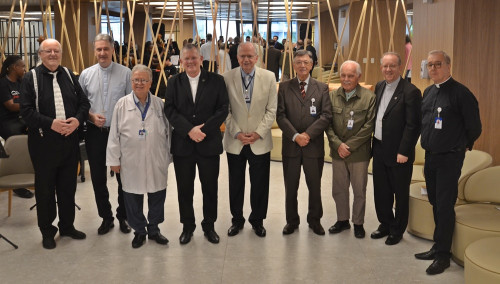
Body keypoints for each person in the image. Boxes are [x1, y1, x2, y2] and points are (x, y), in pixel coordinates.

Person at [415, 50, 481, 275]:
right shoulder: (428, 92)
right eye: (430, 65)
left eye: (438, 64)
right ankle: (438, 245)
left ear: (448, 66)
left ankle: (443, 255)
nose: (433, 69)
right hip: (431, 156)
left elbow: (474, 126)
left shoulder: (461, 93)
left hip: (450, 158)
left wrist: (461, 146)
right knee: (434, 201)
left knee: (444, 205)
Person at [20, 39, 90, 249]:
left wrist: (77, 119)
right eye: (48, 51)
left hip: (69, 140)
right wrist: (51, 124)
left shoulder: (69, 75)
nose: (52, 54)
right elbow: (26, 112)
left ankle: (67, 226)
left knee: (68, 187)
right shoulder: (29, 78)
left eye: (56, 51)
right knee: (45, 190)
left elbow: (84, 103)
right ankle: (47, 231)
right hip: (43, 143)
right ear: (40, 54)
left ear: (61, 54)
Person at [164, 43, 229, 245]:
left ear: (201, 59)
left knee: (210, 188)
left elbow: (223, 109)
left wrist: (203, 130)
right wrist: (189, 130)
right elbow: (170, 110)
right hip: (183, 145)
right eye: (186, 59)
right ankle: (187, 226)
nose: (190, 62)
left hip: (208, 144)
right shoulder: (174, 81)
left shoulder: (216, 81)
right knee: (185, 188)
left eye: (194, 58)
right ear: (181, 61)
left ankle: (209, 226)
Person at [106, 64, 172, 249]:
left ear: (150, 82)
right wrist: (113, 160)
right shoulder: (122, 104)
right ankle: (139, 231)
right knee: (132, 196)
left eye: (143, 80)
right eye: (136, 80)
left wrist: (168, 157)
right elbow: (114, 135)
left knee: (157, 193)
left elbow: (169, 133)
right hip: (130, 160)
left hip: (156, 158)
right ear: (131, 81)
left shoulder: (160, 104)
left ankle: (154, 229)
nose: (139, 83)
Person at [79, 34, 133, 236]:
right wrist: (91, 117)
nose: (102, 53)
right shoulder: (85, 75)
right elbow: (81, 105)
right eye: (99, 49)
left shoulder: (126, 73)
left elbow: (131, 104)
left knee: (123, 178)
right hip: (95, 133)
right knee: (98, 178)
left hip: (119, 134)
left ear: (112, 50)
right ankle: (106, 217)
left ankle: (123, 216)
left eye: (106, 49)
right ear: (95, 50)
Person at [222, 42, 277, 238]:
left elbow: (272, 110)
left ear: (257, 58)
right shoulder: (227, 78)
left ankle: (257, 220)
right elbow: (224, 110)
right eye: (242, 56)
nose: (246, 60)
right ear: (237, 58)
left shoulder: (269, 77)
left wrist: (258, 133)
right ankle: (237, 220)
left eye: (250, 56)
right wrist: (236, 132)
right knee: (235, 184)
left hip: (259, 141)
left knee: (260, 184)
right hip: (235, 140)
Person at [277, 50, 332, 236]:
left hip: (313, 146)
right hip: (291, 146)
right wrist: (295, 136)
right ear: (293, 65)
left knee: (314, 187)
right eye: (299, 62)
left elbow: (326, 116)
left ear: (312, 64)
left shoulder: (322, 87)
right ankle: (291, 221)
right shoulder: (284, 87)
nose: (302, 65)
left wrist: (307, 135)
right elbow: (280, 116)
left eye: (306, 62)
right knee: (291, 187)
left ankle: (314, 220)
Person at [371, 52, 421, 245]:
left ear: (399, 67)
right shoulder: (379, 86)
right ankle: (385, 223)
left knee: (399, 193)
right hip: (379, 147)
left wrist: (404, 151)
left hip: (399, 152)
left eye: (392, 66)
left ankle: (397, 230)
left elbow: (413, 125)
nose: (388, 70)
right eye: (385, 66)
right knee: (381, 190)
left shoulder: (411, 91)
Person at [326, 60, 375, 239]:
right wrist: (338, 144)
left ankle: (358, 222)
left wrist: (350, 146)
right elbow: (327, 123)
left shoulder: (369, 97)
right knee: (339, 188)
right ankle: (342, 220)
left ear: (358, 77)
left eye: (351, 76)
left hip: (359, 154)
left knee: (359, 189)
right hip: (338, 152)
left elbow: (369, 126)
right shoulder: (332, 96)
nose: (346, 79)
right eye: (343, 75)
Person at [0, 55, 33, 199]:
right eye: (23, 66)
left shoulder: (21, 82)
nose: (25, 69)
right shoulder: (3, 84)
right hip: (6, 122)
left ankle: (32, 173)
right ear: (14, 67)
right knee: (17, 140)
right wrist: (29, 106)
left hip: (21, 119)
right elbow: (11, 106)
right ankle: (17, 185)